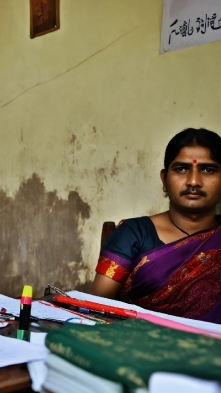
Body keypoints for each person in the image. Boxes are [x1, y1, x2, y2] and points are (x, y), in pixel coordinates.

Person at [90, 128, 221, 324]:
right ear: (164, 180)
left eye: (208, 170)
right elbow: (96, 308)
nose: (194, 181)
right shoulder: (133, 234)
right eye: (181, 169)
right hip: (140, 347)